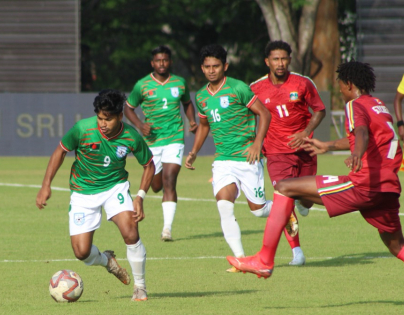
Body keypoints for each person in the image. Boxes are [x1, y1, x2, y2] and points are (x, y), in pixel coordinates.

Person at [228, 60, 404, 279]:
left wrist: (356, 155)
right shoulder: (378, 104)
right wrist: (328, 145)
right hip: (387, 188)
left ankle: (264, 260)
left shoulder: (355, 105)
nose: (340, 90)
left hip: (363, 184)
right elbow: (372, 138)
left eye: (340, 85)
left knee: (284, 187)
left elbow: (361, 134)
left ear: (349, 84)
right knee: (397, 246)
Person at [36, 89, 155, 301]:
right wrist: (46, 185)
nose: (102, 123)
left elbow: (149, 165)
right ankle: (106, 260)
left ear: (120, 116)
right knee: (81, 252)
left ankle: (140, 287)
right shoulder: (82, 129)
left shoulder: (131, 136)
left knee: (130, 232)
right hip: (83, 192)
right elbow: (60, 151)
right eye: (100, 118)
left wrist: (140, 197)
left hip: (114, 187)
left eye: (108, 119)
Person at [185, 44, 278, 272]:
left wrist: (257, 143)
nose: (211, 70)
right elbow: (204, 125)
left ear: (225, 66)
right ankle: (241, 259)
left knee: (258, 210)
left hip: (247, 158)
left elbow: (264, 114)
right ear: (202, 68)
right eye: (207, 67)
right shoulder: (202, 97)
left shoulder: (238, 88)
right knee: (224, 206)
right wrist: (194, 151)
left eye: (216, 66)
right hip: (223, 161)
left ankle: (286, 208)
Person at [249, 40, 326, 266]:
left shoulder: (303, 83)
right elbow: (245, 115)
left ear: (290, 60)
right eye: (275, 59)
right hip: (275, 153)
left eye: (284, 59)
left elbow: (320, 110)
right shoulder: (256, 88)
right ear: (267, 62)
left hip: (305, 150)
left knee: (305, 201)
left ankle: (305, 203)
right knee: (285, 200)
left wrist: (306, 132)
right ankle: (297, 252)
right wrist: (254, 142)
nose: (280, 63)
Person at [124, 45, 198, 242]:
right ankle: (161, 210)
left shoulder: (180, 83)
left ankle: (167, 229)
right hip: (152, 142)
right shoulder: (143, 85)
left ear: (170, 62)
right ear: (152, 63)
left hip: (174, 138)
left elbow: (187, 103)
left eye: (165, 60)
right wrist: (140, 125)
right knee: (156, 185)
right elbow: (128, 107)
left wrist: (191, 120)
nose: (162, 63)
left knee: (169, 179)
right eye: (158, 60)